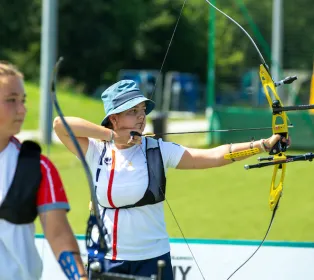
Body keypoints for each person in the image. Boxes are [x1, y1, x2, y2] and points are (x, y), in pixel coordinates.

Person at [53, 79, 288, 279]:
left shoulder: (156, 150)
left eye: (142, 110)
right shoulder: (95, 150)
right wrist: (111, 136)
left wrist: (261, 145)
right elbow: (60, 125)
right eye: (132, 111)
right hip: (106, 260)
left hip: (153, 260)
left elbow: (210, 156)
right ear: (113, 119)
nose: (141, 117)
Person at [0, 61, 87, 280]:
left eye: (23, 101)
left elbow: (58, 234)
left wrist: (80, 277)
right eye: (11, 100)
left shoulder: (39, 167)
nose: (22, 110)